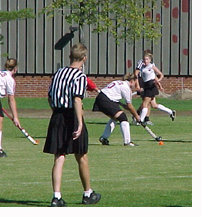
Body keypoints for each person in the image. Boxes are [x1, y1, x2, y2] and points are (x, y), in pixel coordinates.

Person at [43, 43, 101, 207]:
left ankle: (56, 196)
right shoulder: (80, 76)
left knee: (59, 156)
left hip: (57, 115)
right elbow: (77, 99)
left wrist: (55, 111)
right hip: (72, 117)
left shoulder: (59, 73)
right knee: (81, 155)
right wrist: (80, 123)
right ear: (84, 58)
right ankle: (87, 193)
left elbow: (49, 96)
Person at [92, 73, 141, 146]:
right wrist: (137, 117)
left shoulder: (117, 82)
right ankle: (127, 142)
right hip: (106, 100)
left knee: (115, 118)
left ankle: (104, 138)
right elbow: (130, 106)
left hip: (100, 98)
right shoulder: (126, 88)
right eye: (135, 82)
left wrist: (122, 105)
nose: (135, 85)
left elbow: (113, 96)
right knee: (123, 117)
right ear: (131, 81)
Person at [138, 52, 176, 122]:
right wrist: (159, 85)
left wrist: (158, 81)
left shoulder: (152, 66)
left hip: (151, 87)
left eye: (147, 59)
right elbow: (153, 76)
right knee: (154, 105)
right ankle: (170, 112)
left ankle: (141, 120)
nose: (145, 61)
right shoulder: (142, 67)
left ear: (150, 60)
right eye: (144, 59)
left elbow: (161, 75)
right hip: (146, 86)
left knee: (145, 104)